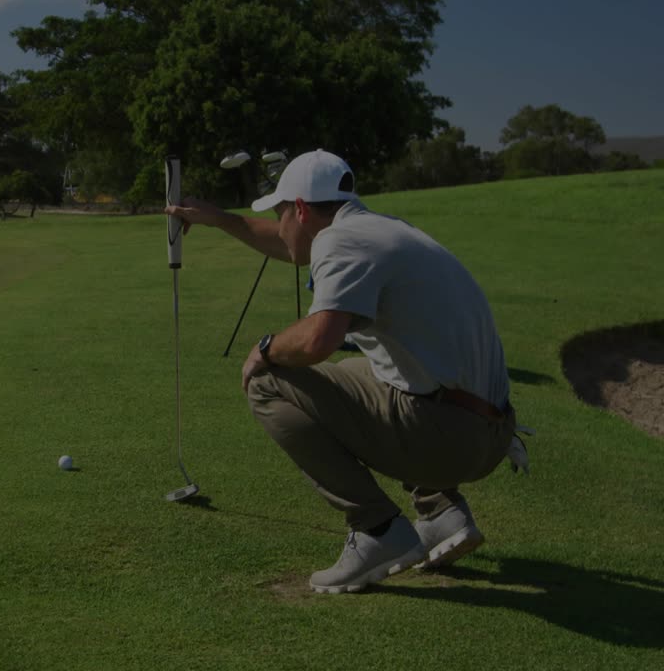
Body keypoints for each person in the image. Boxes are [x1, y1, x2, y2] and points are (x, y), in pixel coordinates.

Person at [165, 149, 520, 594]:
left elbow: (318, 341)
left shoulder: (342, 242)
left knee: (268, 382)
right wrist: (220, 218)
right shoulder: (382, 229)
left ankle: (377, 531)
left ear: (299, 209)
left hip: (450, 438)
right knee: (360, 366)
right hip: (491, 429)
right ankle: (441, 513)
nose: (279, 225)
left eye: (281, 213)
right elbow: (290, 245)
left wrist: (266, 347)